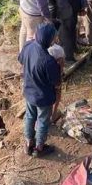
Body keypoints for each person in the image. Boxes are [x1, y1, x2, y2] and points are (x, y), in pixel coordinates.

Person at [18, 23, 62, 156]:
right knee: (43, 120)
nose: (54, 40)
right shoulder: (48, 61)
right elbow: (56, 82)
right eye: (53, 38)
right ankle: (39, 148)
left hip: (29, 91)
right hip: (43, 97)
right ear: (48, 40)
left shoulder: (28, 46)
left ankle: (28, 143)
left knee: (30, 116)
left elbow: (21, 59)